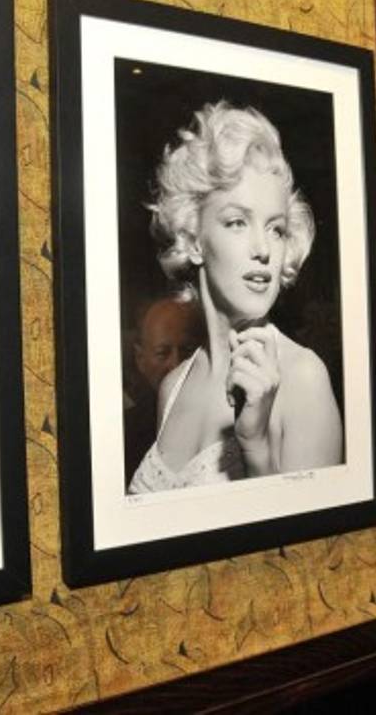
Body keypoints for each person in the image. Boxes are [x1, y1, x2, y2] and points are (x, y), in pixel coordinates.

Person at [128, 102, 343, 494]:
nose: (263, 248)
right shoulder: (173, 386)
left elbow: (311, 555)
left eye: (276, 229)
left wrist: (257, 447)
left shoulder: (303, 378)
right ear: (193, 240)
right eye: (237, 222)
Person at [122, 295, 204, 488]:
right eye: (162, 353)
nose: (176, 364)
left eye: (187, 350)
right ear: (140, 359)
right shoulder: (124, 435)